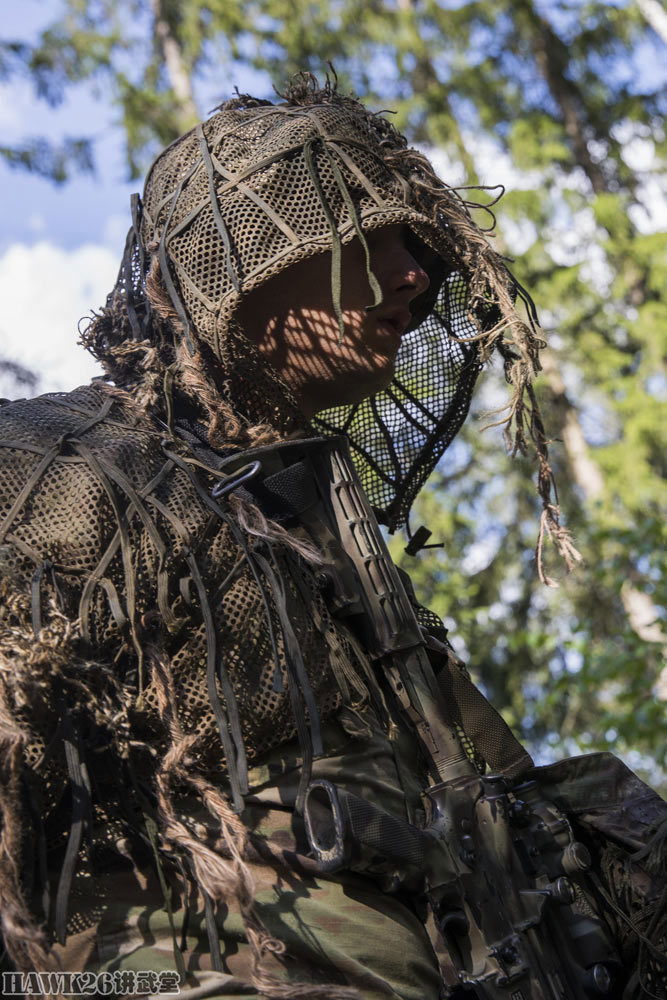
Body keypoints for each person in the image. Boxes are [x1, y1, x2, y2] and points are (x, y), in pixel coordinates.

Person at [0, 73, 664, 1000]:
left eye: (415, 247)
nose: (413, 276)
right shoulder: (50, 468)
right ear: (228, 264)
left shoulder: (347, 571)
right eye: (366, 236)